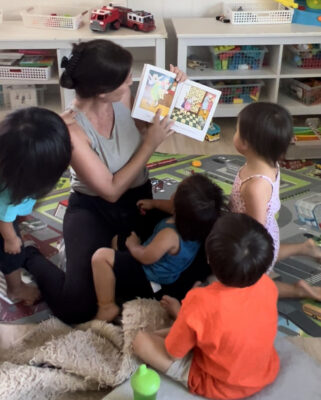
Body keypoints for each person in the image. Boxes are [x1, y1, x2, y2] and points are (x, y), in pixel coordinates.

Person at [24, 39, 187, 324]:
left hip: (139, 199)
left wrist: (176, 89)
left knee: (176, 279)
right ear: (101, 92)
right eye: (125, 82)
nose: (131, 84)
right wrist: (150, 143)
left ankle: (114, 258)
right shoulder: (70, 129)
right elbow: (110, 191)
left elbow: (141, 124)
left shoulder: (119, 98)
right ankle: (30, 257)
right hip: (92, 207)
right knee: (76, 307)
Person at [133, 213, 279, 400]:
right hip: (264, 372)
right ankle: (185, 326)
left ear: (208, 258)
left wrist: (184, 311)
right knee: (191, 328)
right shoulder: (268, 285)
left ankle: (182, 327)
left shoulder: (199, 301)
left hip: (219, 385)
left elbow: (172, 353)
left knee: (141, 341)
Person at [91, 174, 224, 321]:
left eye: (176, 191)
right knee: (117, 243)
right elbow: (172, 207)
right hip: (166, 271)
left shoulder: (169, 235)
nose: (172, 194)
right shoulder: (198, 223)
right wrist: (154, 203)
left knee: (101, 257)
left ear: (177, 209)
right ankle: (116, 284)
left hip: (150, 278)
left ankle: (107, 305)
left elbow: (146, 257)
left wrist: (133, 244)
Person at [229, 101, 321, 300]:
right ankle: (305, 248)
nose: (233, 134)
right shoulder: (268, 162)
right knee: (272, 252)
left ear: (245, 143)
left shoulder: (255, 186)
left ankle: (299, 290)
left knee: (247, 285)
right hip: (268, 233)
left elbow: (257, 231)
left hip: (255, 241)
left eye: (236, 130)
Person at [0, 107, 71, 305]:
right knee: (12, 253)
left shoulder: (11, 150)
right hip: (3, 223)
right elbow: (4, 221)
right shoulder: (10, 193)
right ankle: (16, 288)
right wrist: (11, 239)